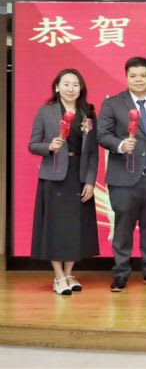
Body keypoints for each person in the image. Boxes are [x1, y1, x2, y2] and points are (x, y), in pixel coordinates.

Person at [97, 56, 146, 292]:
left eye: (143, 75)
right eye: (133, 75)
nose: (139, 80)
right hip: (124, 177)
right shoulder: (113, 104)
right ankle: (121, 273)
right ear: (126, 77)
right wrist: (120, 145)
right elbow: (102, 134)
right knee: (123, 227)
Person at [29, 69, 100, 295]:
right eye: (66, 84)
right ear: (57, 87)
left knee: (75, 228)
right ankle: (58, 276)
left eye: (75, 84)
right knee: (55, 228)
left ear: (81, 88)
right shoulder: (46, 111)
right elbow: (33, 144)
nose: (71, 89)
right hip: (55, 176)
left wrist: (90, 181)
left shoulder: (88, 113)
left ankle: (69, 273)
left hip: (79, 176)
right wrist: (49, 147)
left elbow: (93, 153)